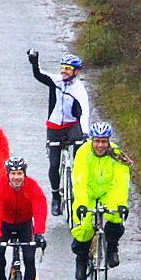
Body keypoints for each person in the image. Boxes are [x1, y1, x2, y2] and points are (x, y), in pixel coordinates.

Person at [29, 50, 89, 217]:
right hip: (54, 127)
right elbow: (39, 75)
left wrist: (85, 133)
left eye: (68, 68)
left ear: (76, 71)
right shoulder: (56, 81)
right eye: (62, 68)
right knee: (54, 164)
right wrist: (34, 62)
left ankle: (78, 193)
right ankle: (56, 197)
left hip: (72, 126)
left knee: (79, 160)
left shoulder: (79, 90)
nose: (64, 71)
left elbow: (85, 112)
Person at [71, 121, 131, 280]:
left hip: (108, 190)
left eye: (104, 141)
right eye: (97, 141)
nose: (100, 145)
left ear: (109, 141)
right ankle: (81, 258)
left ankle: (112, 248)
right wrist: (82, 204)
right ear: (92, 140)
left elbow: (121, 181)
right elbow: (79, 180)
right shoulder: (83, 153)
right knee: (83, 225)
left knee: (115, 216)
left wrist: (121, 204)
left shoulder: (116, 153)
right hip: (88, 191)